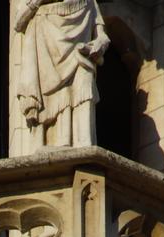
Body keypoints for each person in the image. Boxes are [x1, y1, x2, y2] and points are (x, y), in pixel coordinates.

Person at [14, 0, 110, 150]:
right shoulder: (39, 8)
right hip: (46, 61)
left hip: (79, 59)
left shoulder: (88, 3)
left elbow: (102, 37)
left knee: (84, 86)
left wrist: (98, 46)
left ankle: (83, 146)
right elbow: (18, 23)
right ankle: (50, 143)